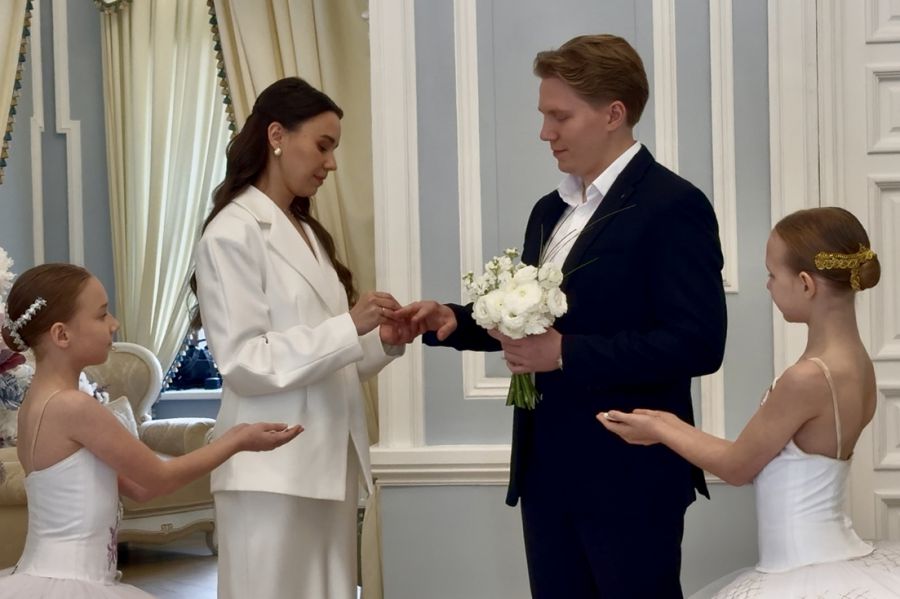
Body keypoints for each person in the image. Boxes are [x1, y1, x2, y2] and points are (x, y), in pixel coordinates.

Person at [400, 34, 727, 598]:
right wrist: (452, 321)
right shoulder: (548, 211)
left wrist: (565, 354)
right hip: (546, 471)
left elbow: (699, 343)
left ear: (613, 114)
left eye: (560, 116)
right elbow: (535, 320)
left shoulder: (673, 205)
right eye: (544, 115)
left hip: (629, 476)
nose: (544, 132)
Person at [601, 206, 900, 598]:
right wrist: (668, 423)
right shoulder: (858, 363)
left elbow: (737, 466)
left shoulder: (808, 378)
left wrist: (660, 429)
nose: (768, 285)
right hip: (835, 555)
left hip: (801, 568)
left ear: (806, 284)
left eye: (773, 274)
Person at [191, 76, 413, 599]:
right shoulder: (231, 233)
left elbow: (330, 361)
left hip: (327, 462)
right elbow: (246, 361)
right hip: (269, 471)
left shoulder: (309, 233)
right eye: (323, 146)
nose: (330, 164)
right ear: (276, 135)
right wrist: (348, 325)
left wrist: (383, 340)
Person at [0, 263, 302, 598]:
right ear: (61, 335)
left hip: (45, 575)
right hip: (71, 583)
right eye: (101, 315)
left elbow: (141, 489)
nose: (114, 323)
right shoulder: (73, 407)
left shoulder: (35, 404)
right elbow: (159, 478)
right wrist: (236, 439)